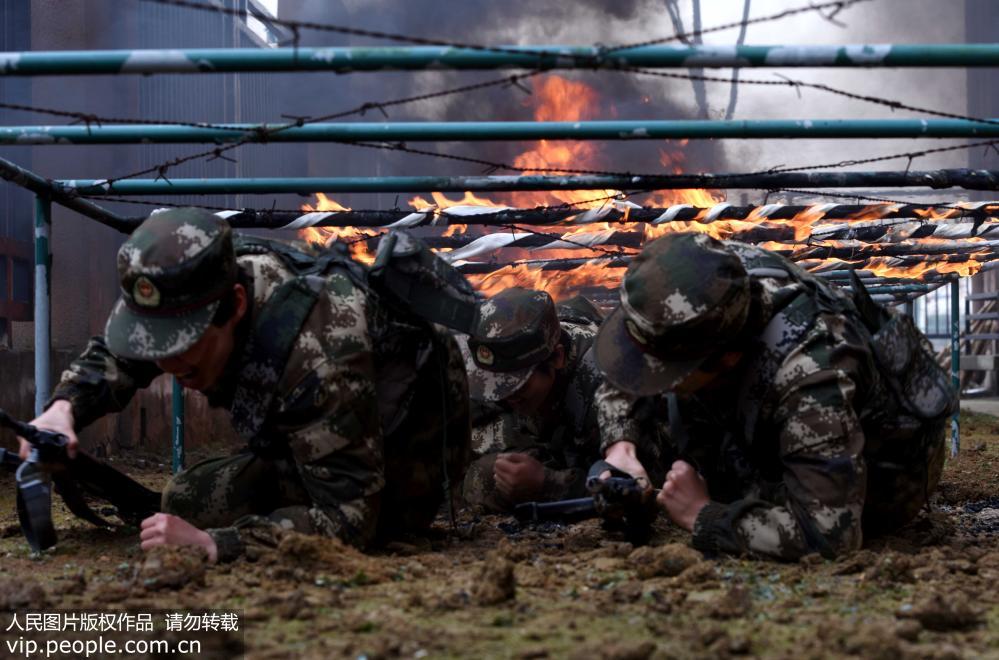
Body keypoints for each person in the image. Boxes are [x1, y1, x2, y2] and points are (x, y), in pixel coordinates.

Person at [20, 208, 470, 562]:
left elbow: (349, 519)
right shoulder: (208, 278)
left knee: (208, 512)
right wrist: (64, 409)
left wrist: (219, 544)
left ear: (235, 307)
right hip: (332, 424)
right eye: (155, 341)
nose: (165, 362)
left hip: (407, 455)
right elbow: (121, 353)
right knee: (186, 497)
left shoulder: (317, 351)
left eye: (182, 343)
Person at [594, 232, 955, 561]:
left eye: (667, 374)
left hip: (881, 480)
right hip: (766, 408)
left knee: (716, 471)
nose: (653, 381)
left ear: (727, 359)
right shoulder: (704, 277)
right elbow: (632, 362)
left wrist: (704, 515)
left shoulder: (812, 374)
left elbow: (830, 535)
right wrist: (621, 449)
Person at [461, 287, 660, 511]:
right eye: (492, 386)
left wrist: (549, 485)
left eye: (515, 386)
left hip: (583, 446)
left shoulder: (605, 384)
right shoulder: (497, 363)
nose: (503, 396)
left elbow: (643, 488)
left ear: (557, 357)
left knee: (485, 479)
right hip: (542, 434)